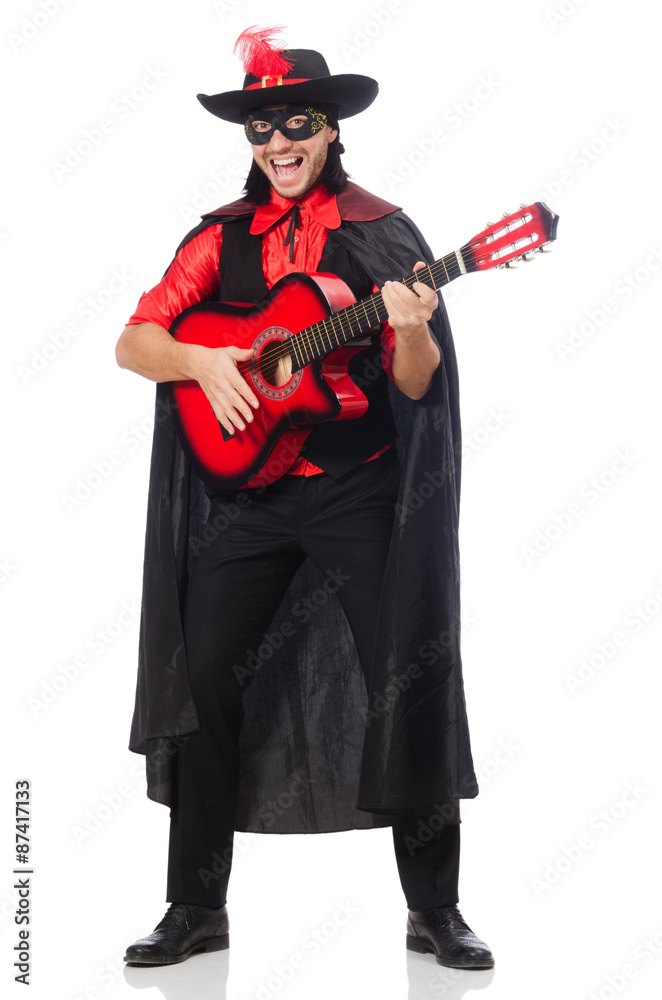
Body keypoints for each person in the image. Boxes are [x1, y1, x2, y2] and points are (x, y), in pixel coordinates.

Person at [116, 26, 494, 970]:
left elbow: (415, 383)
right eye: (261, 127)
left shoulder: (378, 230)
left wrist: (412, 327)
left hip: (359, 494)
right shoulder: (217, 239)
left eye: (296, 123)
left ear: (330, 129)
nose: (278, 143)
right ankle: (195, 905)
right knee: (205, 680)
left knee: (406, 671)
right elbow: (135, 342)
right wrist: (202, 360)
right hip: (251, 499)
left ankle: (435, 910)